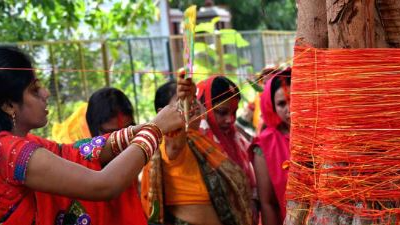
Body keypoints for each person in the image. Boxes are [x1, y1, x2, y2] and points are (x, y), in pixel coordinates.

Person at [0, 46, 184, 225]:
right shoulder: (12, 152)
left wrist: (142, 129)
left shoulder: (25, 144)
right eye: (34, 90)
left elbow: (77, 154)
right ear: (8, 105)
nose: (46, 93)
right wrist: (154, 130)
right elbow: (103, 185)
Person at [140, 79, 253, 225]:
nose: (192, 108)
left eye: (193, 101)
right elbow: (175, 139)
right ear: (162, 115)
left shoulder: (200, 140)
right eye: (182, 104)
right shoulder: (169, 144)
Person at [38, 87, 141, 225]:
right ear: (94, 130)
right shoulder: (74, 163)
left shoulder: (132, 151)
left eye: (128, 130)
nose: (122, 141)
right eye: (112, 133)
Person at [196, 76, 257, 200]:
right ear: (204, 108)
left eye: (234, 112)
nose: (231, 120)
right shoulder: (195, 144)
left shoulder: (236, 139)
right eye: (222, 112)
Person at [249, 68, 291, 225]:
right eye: (282, 104)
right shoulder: (265, 145)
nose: (290, 110)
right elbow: (268, 204)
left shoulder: (325, 133)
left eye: (295, 100)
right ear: (272, 106)